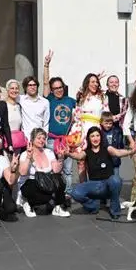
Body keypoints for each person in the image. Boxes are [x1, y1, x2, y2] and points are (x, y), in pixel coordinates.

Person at [69, 126, 134, 219]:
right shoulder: (86, 152)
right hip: (94, 186)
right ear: (89, 138)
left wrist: (132, 151)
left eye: (97, 135)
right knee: (75, 192)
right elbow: (78, 156)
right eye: (92, 136)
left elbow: (118, 153)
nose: (95, 138)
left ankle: (115, 210)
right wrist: (67, 153)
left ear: (101, 137)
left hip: (107, 184)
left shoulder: (107, 148)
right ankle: (93, 206)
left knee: (116, 180)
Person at [42, 50, 77, 189]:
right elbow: (45, 83)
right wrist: (46, 65)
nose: (58, 90)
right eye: (55, 88)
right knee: (53, 169)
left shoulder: (70, 100)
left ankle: (67, 194)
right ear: (51, 90)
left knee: (68, 171)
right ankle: (54, 193)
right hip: (51, 140)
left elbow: (82, 110)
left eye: (60, 87)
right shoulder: (48, 100)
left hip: (67, 140)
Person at [18, 127, 71, 217]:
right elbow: (22, 172)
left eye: (44, 138)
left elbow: (56, 170)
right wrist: (28, 157)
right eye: (39, 138)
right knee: (32, 185)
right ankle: (27, 203)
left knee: (59, 178)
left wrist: (61, 159)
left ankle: (57, 207)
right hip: (31, 184)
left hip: (46, 183)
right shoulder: (25, 153)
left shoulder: (48, 152)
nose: (42, 140)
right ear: (32, 139)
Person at [19, 75, 49, 141]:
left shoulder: (45, 102)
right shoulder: (20, 99)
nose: (32, 87)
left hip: (40, 138)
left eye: (34, 85)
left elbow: (46, 122)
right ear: (25, 87)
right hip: (25, 138)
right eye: (30, 85)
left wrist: (45, 138)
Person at [100, 112, 125, 182]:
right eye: (106, 123)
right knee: (105, 180)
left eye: (110, 123)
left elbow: (120, 144)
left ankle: (115, 192)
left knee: (116, 180)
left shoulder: (117, 131)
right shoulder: (99, 132)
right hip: (104, 160)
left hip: (115, 161)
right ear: (101, 122)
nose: (108, 125)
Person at [5, 79, 26, 152]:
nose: (14, 90)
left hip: (18, 142)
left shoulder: (19, 106)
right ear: (7, 90)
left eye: (16, 88)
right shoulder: (3, 105)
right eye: (12, 88)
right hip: (6, 142)